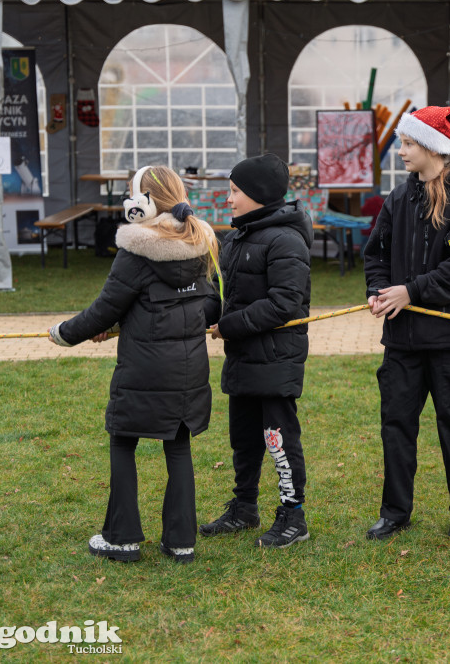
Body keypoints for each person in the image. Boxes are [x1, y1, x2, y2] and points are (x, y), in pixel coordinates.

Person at [48, 166, 220, 564]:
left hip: (144, 368)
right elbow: (208, 305)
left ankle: (121, 539)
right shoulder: (201, 242)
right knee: (178, 446)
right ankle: (181, 542)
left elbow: (104, 308)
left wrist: (62, 333)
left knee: (122, 441)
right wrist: (122, 323)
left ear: (143, 203)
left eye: (131, 193)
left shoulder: (135, 251)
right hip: (190, 369)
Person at [362, 106, 450, 541]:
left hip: (449, 339)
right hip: (402, 340)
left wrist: (411, 292)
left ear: (434, 148)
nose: (401, 151)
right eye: (402, 143)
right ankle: (395, 512)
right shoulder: (398, 198)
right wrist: (379, 290)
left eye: (409, 143)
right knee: (396, 424)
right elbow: (375, 253)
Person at [198, 153, 315, 549]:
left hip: (276, 359)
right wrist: (196, 316)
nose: (228, 198)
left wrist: (229, 326)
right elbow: (220, 295)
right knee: (244, 439)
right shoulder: (236, 239)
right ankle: (244, 507)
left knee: (278, 439)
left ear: (259, 194)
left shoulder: (286, 240)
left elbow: (284, 303)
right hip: (243, 358)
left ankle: (293, 515)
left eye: (235, 191)